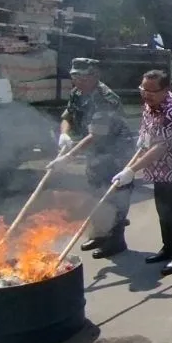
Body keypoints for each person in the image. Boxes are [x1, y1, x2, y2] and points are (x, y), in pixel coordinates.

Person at [46, 58, 134, 259]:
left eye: (83, 77)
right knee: (95, 192)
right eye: (75, 76)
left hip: (116, 152)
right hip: (95, 151)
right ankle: (100, 235)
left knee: (114, 196)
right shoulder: (77, 92)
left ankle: (116, 241)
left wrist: (68, 157)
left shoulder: (105, 98)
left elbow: (96, 134)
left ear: (95, 76)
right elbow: (67, 116)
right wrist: (64, 135)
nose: (78, 81)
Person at [116, 69, 172, 276]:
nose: (146, 94)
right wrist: (132, 160)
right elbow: (146, 138)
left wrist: (132, 170)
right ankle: (168, 248)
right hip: (159, 170)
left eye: (152, 91)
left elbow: (161, 147)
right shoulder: (149, 105)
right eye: (143, 89)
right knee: (164, 212)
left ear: (167, 89)